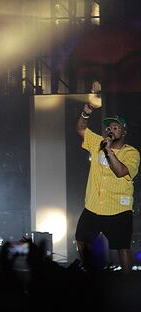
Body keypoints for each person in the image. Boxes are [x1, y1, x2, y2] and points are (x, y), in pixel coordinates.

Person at [75, 105, 139, 274]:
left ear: (123, 132)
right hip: (94, 206)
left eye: (116, 127)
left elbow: (121, 172)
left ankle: (128, 281)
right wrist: (87, 111)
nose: (111, 130)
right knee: (81, 240)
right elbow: (81, 128)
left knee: (122, 248)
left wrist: (108, 150)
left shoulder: (131, 153)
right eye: (109, 127)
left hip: (118, 208)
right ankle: (90, 274)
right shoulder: (98, 142)